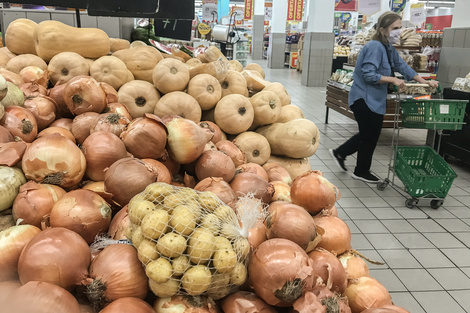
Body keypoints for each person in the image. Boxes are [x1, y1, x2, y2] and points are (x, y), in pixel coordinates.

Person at [329, 11, 439, 183]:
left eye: (400, 28)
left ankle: (341, 153)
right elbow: (368, 74)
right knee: (369, 136)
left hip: (373, 100)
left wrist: (425, 81)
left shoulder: (387, 48)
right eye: (395, 28)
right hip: (364, 99)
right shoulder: (374, 47)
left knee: (369, 134)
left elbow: (402, 66)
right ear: (383, 30)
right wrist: (391, 79)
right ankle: (360, 170)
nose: (399, 31)